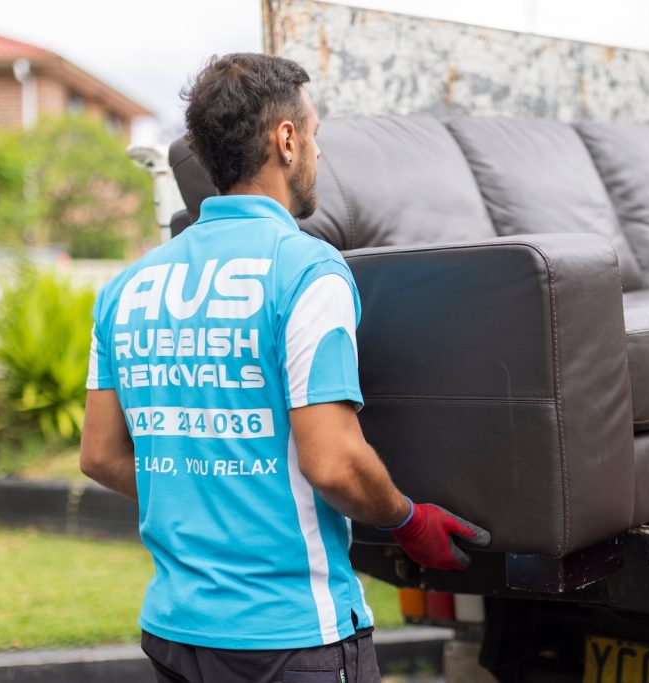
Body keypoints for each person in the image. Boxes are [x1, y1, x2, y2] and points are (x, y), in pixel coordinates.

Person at [79, 53, 490, 683]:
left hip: (174, 633)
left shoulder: (126, 288)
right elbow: (333, 463)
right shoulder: (306, 271)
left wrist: (206, 489)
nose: (319, 152)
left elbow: (100, 455)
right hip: (291, 638)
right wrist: (409, 521)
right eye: (316, 134)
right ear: (287, 140)